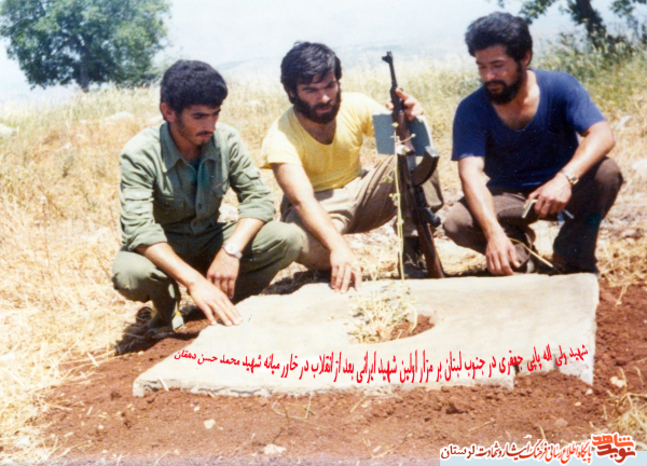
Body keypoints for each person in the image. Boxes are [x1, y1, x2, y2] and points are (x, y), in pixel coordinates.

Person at [111, 60, 302, 336]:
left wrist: (231, 251)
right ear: (168, 112)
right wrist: (193, 281)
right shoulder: (140, 152)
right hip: (165, 246)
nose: (210, 125)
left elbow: (259, 199)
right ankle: (167, 311)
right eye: (199, 116)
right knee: (130, 274)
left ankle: (223, 301)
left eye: (215, 115)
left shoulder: (226, 139)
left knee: (288, 238)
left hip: (211, 240)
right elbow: (138, 229)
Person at [443, 12, 623, 276]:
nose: (489, 76)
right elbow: (469, 173)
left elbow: (602, 134)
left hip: (563, 192)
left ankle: (572, 255)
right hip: (508, 195)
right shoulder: (471, 109)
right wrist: (493, 234)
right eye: (481, 67)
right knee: (457, 223)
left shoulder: (560, 86)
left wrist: (564, 179)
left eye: (498, 65)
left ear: (524, 58)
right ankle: (519, 255)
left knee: (606, 173)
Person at [260, 42, 443, 292]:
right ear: (292, 92)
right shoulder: (280, 137)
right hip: (320, 206)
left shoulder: (355, 105)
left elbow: (399, 144)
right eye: (311, 90)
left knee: (419, 157)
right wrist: (339, 248)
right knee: (297, 241)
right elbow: (303, 202)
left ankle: (413, 251)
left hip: (364, 192)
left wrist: (411, 119)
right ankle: (328, 267)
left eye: (330, 86)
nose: (324, 98)